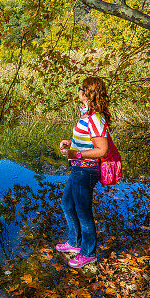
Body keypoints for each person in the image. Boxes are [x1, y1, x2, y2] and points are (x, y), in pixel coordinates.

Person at [57, 76, 110, 268]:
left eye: (80, 88)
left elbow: (102, 150)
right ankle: (74, 243)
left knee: (83, 212)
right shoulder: (88, 115)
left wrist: (75, 153)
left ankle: (88, 253)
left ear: (87, 93)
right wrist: (70, 143)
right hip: (78, 168)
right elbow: (87, 140)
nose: (78, 90)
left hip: (86, 170)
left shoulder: (96, 118)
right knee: (67, 204)